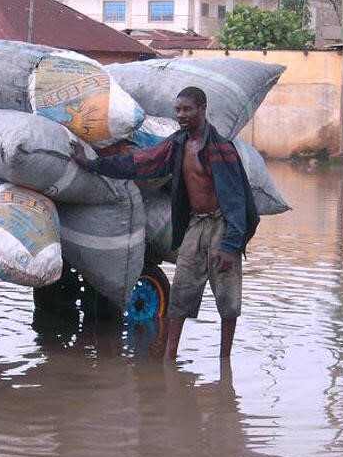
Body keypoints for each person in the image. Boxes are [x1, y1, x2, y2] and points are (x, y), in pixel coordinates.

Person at [71, 86, 259, 360]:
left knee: (227, 300)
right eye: (178, 109)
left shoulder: (220, 149)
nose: (181, 115)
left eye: (187, 109)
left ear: (202, 109)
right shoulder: (178, 144)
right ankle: (170, 356)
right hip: (196, 225)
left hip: (222, 225)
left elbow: (236, 200)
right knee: (181, 290)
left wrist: (231, 245)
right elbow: (141, 162)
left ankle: (224, 362)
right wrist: (93, 164)